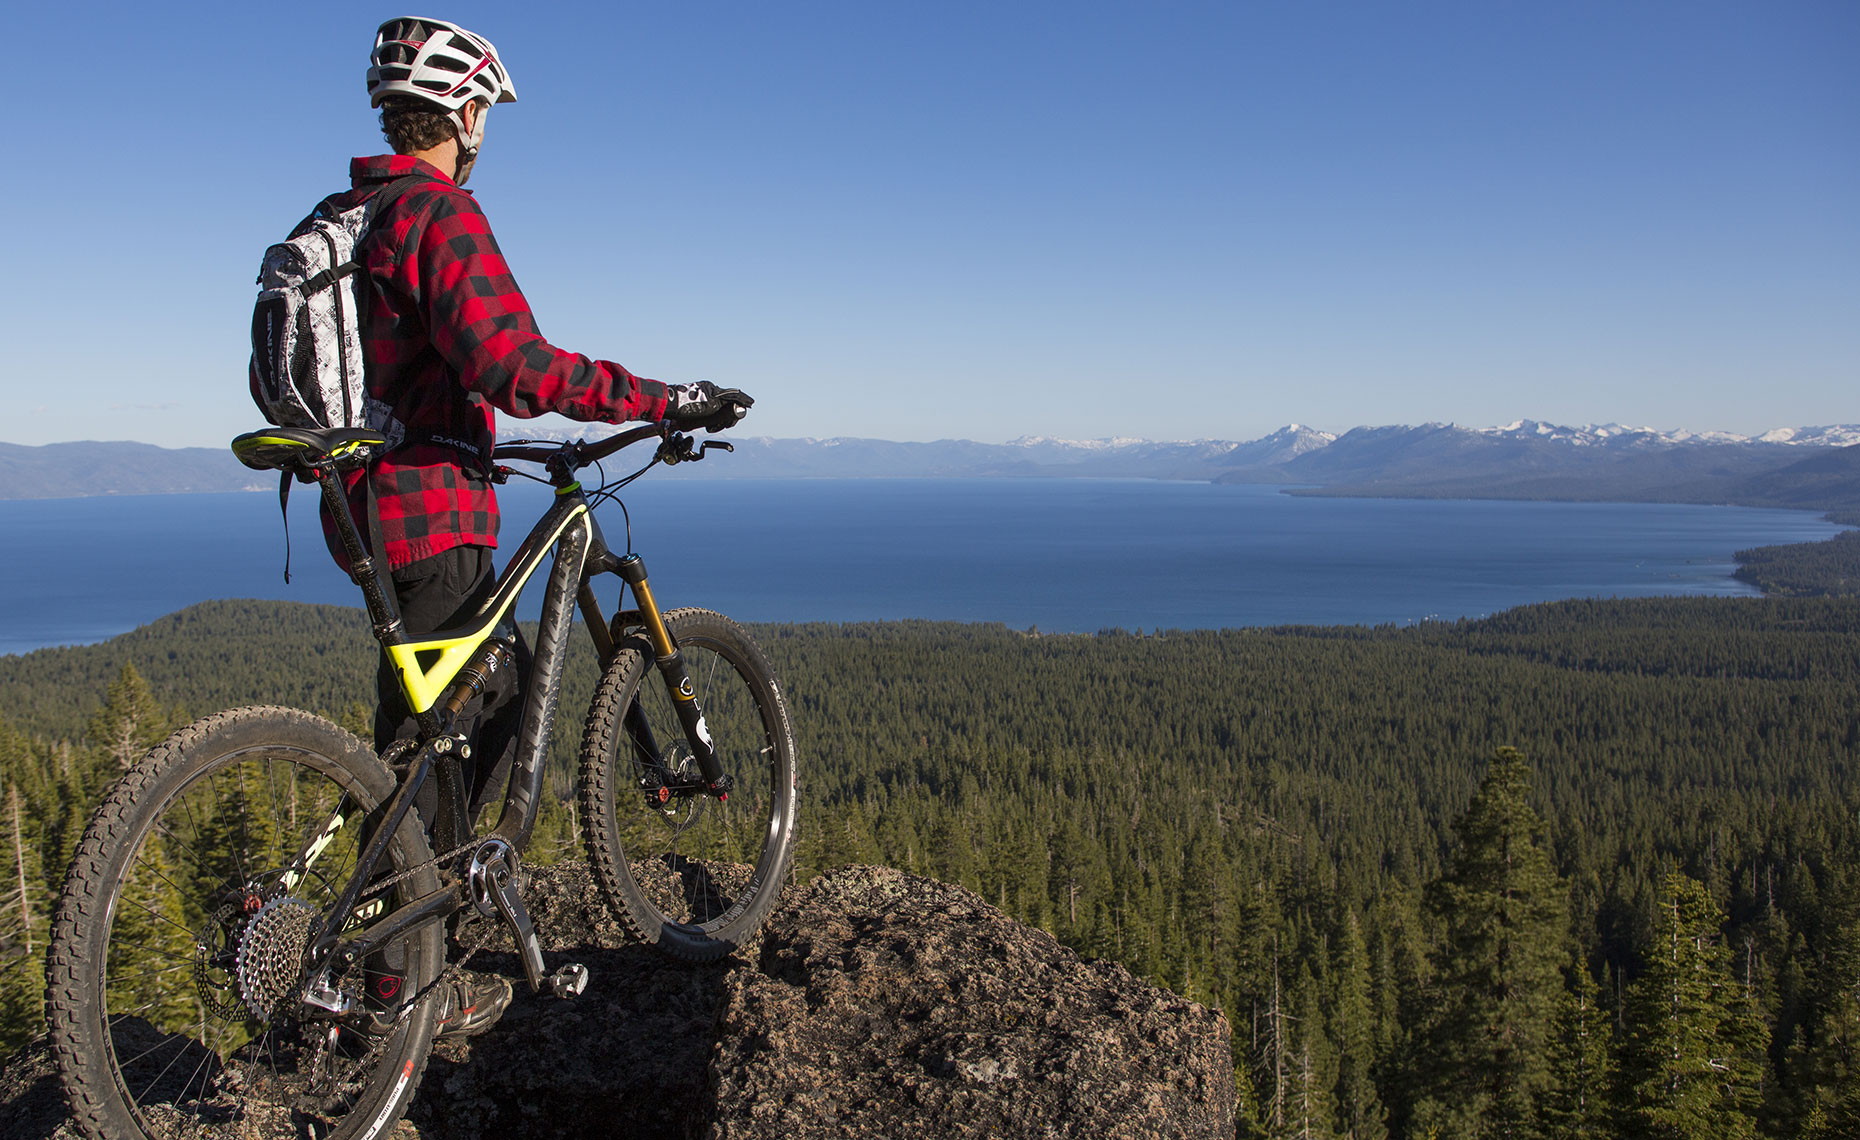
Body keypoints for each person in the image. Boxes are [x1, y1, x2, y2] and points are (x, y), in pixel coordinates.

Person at [276, 16, 750, 1037]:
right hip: (430, 510)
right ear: (465, 112)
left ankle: (388, 962)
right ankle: (412, 984)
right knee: (475, 703)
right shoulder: (434, 216)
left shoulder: (346, 214)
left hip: (356, 506)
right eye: (483, 109)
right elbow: (514, 365)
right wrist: (663, 397)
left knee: (427, 726)